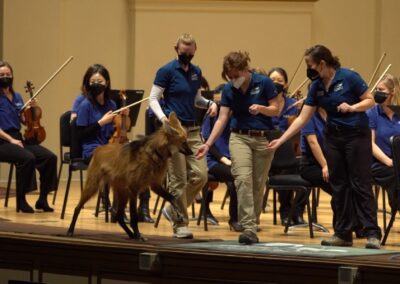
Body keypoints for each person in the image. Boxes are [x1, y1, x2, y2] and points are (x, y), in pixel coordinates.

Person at [267, 45, 381, 249]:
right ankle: (343, 233)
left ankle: (372, 233)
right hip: (334, 138)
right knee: (339, 185)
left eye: (309, 65)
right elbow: (303, 118)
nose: (308, 69)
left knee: (360, 183)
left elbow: (370, 101)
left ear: (322, 63)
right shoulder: (316, 87)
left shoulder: (349, 77)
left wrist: (352, 107)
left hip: (356, 135)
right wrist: (281, 140)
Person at [196, 50, 279, 244]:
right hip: (239, 137)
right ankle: (248, 227)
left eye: (236, 76)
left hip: (261, 139)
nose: (233, 80)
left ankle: (252, 222)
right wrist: (208, 144)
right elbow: (223, 118)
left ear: (246, 70)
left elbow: (276, 109)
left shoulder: (264, 83)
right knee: (242, 180)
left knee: (258, 184)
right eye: (229, 77)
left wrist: (262, 109)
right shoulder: (228, 89)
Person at [149, 33, 218, 239]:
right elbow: (153, 98)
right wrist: (164, 119)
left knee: (201, 175)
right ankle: (180, 223)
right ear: (176, 49)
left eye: (190, 52)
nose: (186, 55)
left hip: (194, 131)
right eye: (182, 52)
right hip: (174, 133)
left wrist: (209, 103)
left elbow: (195, 97)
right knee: (178, 179)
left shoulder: (196, 71)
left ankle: (172, 209)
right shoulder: (166, 71)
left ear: (195, 50)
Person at [0, 61, 57, 213]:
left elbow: (24, 121)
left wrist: (32, 111)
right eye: (2, 75)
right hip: (3, 141)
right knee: (28, 158)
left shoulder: (17, 96)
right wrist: (11, 140)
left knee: (50, 157)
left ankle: (43, 199)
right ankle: (21, 200)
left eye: (8, 74)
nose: (5, 77)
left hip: (18, 138)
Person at [267, 67, 305, 226]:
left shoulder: (293, 105)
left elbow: (298, 128)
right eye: (272, 80)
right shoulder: (264, 103)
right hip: (267, 151)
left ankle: (297, 211)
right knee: (283, 169)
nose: (276, 83)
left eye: (280, 81)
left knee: (304, 170)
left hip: (289, 151)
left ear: (286, 84)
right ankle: (285, 210)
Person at [201, 88, 242, 231]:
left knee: (243, 177)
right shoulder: (211, 115)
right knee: (234, 177)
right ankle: (234, 219)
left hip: (233, 159)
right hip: (212, 160)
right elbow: (207, 143)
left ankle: (244, 217)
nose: (219, 105)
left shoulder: (237, 115)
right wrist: (223, 159)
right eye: (217, 101)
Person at [367, 74, 400, 212]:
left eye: (382, 90)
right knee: (395, 175)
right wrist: (388, 161)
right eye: (377, 89)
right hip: (378, 164)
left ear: (392, 93)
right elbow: (370, 144)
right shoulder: (372, 113)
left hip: (397, 162)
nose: (378, 93)